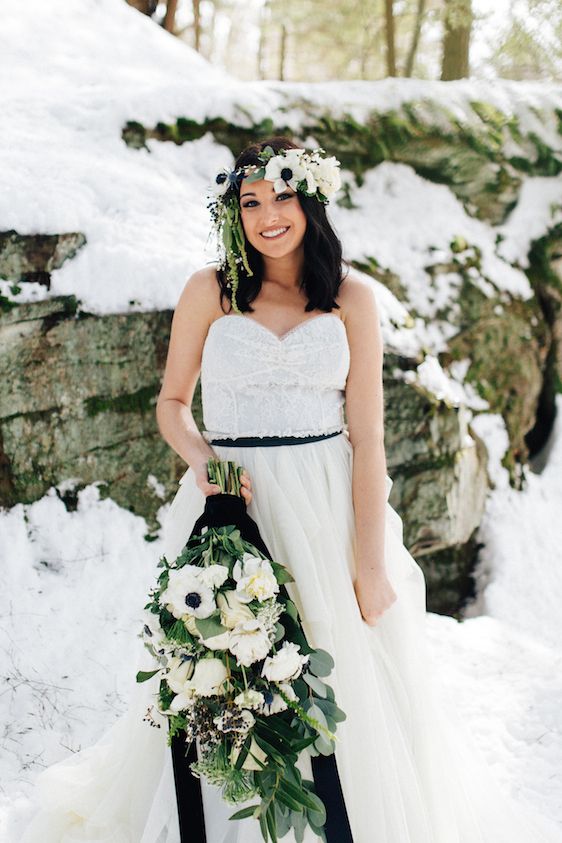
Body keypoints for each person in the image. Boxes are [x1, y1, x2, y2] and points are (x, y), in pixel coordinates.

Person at [20, 136, 561, 843]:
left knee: (335, 675)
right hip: (232, 503)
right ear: (233, 213)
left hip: (326, 505)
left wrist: (369, 560)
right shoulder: (208, 290)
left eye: (281, 196)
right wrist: (205, 461)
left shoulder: (352, 299)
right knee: (222, 663)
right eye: (250, 202)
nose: (267, 214)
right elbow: (172, 405)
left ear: (309, 200)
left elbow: (367, 438)